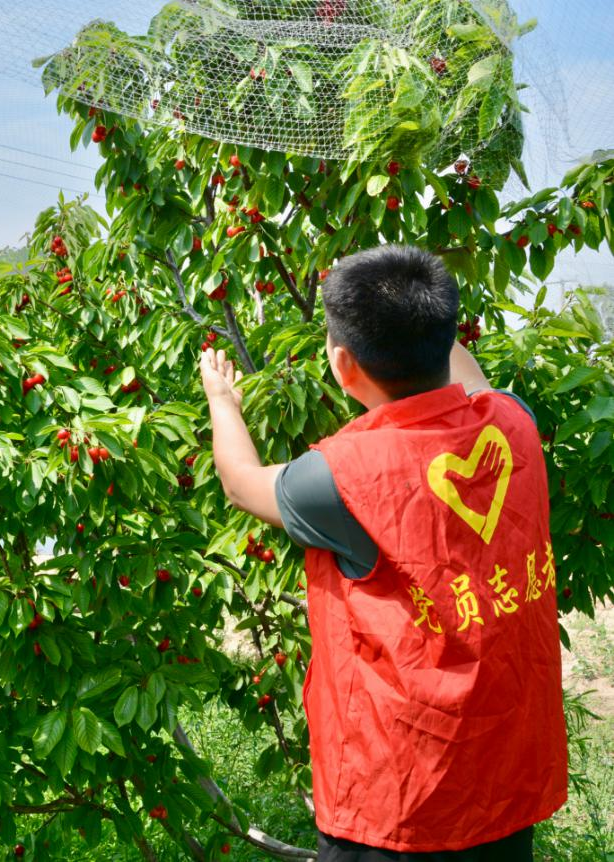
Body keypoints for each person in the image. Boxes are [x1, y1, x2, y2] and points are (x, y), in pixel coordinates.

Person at [199, 245, 567, 861]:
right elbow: (471, 383)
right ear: (446, 329)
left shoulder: (338, 478)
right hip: (504, 779)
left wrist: (222, 400)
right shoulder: (514, 424)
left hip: (398, 800)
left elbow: (241, 482)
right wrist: (404, 293)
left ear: (343, 366)